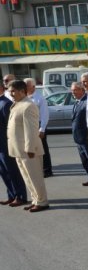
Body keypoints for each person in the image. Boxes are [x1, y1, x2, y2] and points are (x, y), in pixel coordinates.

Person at [6, 80, 49, 212]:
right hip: (18, 150)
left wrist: (30, 149)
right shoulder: (17, 104)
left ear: (21, 91)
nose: (11, 93)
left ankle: (42, 202)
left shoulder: (28, 106)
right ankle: (35, 199)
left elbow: (31, 130)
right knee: (28, 178)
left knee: (35, 177)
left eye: (13, 90)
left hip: (29, 150)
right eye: (10, 90)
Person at [0, 79, 27, 206]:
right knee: (4, 172)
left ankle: (20, 196)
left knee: (12, 171)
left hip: (6, 145)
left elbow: (9, 126)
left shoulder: (6, 104)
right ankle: (11, 195)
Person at [69, 82, 88, 188]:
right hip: (78, 137)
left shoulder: (86, 101)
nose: (73, 92)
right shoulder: (77, 102)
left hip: (85, 136)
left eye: (75, 90)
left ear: (82, 90)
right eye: (72, 90)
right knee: (84, 160)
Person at [25, 78, 53, 177]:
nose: (25, 87)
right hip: (28, 126)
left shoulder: (39, 98)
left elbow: (45, 115)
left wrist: (42, 129)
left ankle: (47, 170)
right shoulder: (24, 98)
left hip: (38, 126)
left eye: (27, 85)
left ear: (33, 86)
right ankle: (36, 169)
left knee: (43, 149)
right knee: (31, 148)